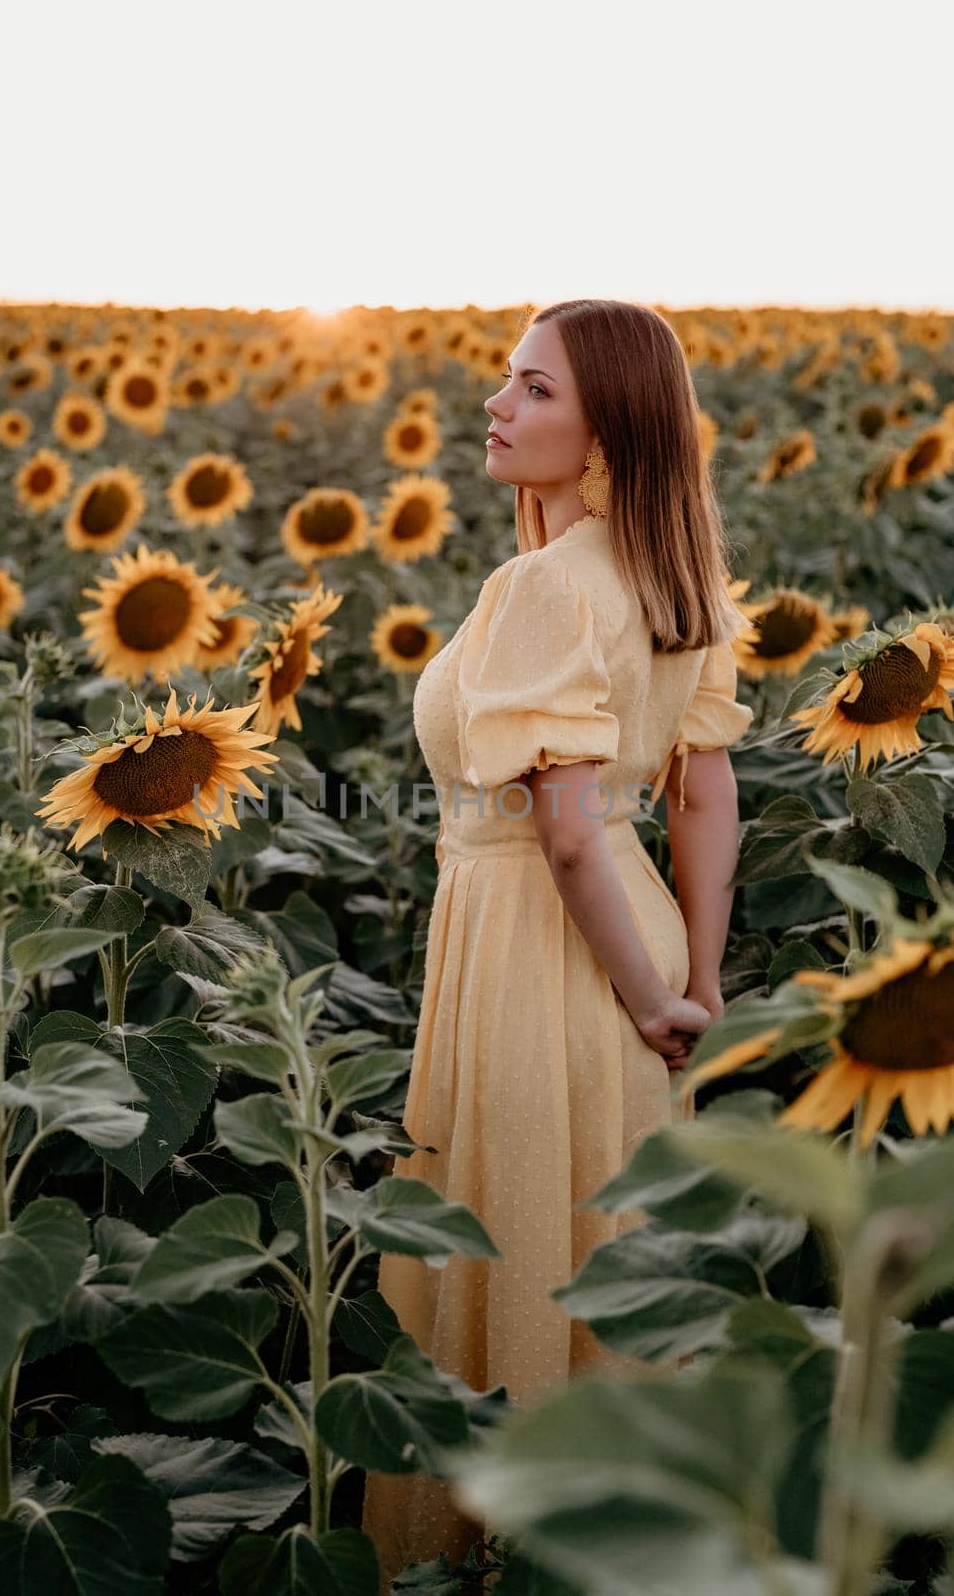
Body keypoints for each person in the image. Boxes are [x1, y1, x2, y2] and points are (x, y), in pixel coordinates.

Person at [360, 299, 755, 1592]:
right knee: (610, 1281)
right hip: (630, 949)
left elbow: (566, 831)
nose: (496, 405)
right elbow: (699, 795)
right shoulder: (669, 571)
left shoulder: (542, 588)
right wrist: (691, 982)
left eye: (532, 390)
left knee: (516, 1266)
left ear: (604, 434)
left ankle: (497, 1563)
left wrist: (645, 996)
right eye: (505, 381)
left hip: (543, 958)